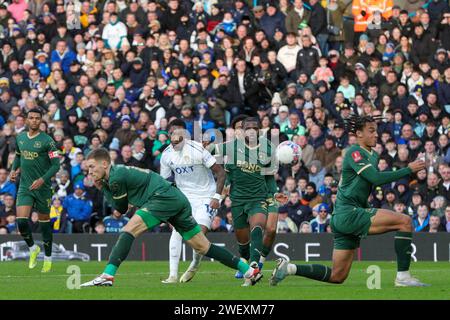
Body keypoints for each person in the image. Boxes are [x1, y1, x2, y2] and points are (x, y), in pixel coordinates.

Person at [271, 114, 428, 287]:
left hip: (346, 215)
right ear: (359, 134)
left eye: (376, 131)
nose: (376, 135)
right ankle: (403, 277)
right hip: (348, 214)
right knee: (405, 221)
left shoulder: (373, 156)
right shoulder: (355, 152)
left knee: (337, 276)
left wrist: (367, 208)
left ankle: (289, 268)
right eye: (371, 131)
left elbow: (363, 186)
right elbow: (375, 178)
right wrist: (408, 169)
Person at [80, 148, 261, 287]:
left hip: (162, 198)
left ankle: (107, 276)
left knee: (128, 230)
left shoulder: (115, 178)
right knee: (203, 246)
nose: (89, 171)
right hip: (175, 198)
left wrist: (102, 188)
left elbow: (120, 209)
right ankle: (249, 271)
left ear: (104, 164)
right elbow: (123, 206)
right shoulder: (117, 173)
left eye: (91, 166)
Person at [215, 117, 287, 286]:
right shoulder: (232, 147)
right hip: (238, 200)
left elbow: (269, 176)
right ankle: (246, 260)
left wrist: (274, 194)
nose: (251, 131)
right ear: (243, 130)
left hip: (258, 198)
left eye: (255, 128)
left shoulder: (267, 148)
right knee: (242, 241)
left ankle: (255, 266)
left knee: (258, 227)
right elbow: (213, 153)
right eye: (248, 128)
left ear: (259, 130)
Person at [159, 119, 226, 284]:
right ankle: (172, 275)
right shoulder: (166, 155)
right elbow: (164, 182)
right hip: (184, 197)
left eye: (179, 132)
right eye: (173, 132)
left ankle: (195, 263)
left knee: (199, 234)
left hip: (206, 195)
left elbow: (221, 172)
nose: (176, 136)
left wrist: (217, 197)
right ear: (168, 135)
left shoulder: (198, 149)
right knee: (177, 231)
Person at [9, 108, 60, 272]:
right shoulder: (21, 138)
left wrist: (42, 180)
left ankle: (48, 258)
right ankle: (32, 248)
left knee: (44, 224)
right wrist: (13, 170)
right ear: (26, 120)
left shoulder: (48, 141)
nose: (34, 121)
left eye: (37, 118)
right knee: (21, 221)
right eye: (31, 118)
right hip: (25, 186)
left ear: (41, 121)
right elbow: (18, 156)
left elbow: (56, 166)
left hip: (43, 188)